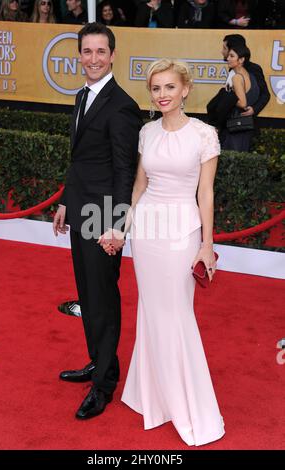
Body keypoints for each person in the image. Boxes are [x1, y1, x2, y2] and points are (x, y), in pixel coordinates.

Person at [101, 58, 225, 446]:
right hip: (149, 232)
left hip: (182, 232)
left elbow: (205, 193)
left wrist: (206, 244)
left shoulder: (205, 135)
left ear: (185, 89)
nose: (162, 95)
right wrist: (122, 227)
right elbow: (139, 185)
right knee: (152, 311)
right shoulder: (147, 132)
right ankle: (149, 393)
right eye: (156, 88)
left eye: (170, 87)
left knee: (176, 314)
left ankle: (190, 405)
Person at [53, 22, 142, 420]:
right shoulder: (82, 95)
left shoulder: (121, 105)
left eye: (100, 52)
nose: (92, 59)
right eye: (86, 52)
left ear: (112, 54)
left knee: (103, 299)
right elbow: (81, 159)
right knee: (88, 295)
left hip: (104, 215)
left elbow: (126, 169)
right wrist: (67, 203)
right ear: (79, 55)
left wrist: (118, 224)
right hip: (82, 207)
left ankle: (104, 385)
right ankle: (98, 361)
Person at [221, 43, 259, 151]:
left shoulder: (237, 78)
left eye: (232, 56)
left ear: (241, 60)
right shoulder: (250, 75)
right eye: (228, 56)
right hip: (246, 127)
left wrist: (228, 95)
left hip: (236, 127)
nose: (227, 58)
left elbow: (242, 103)